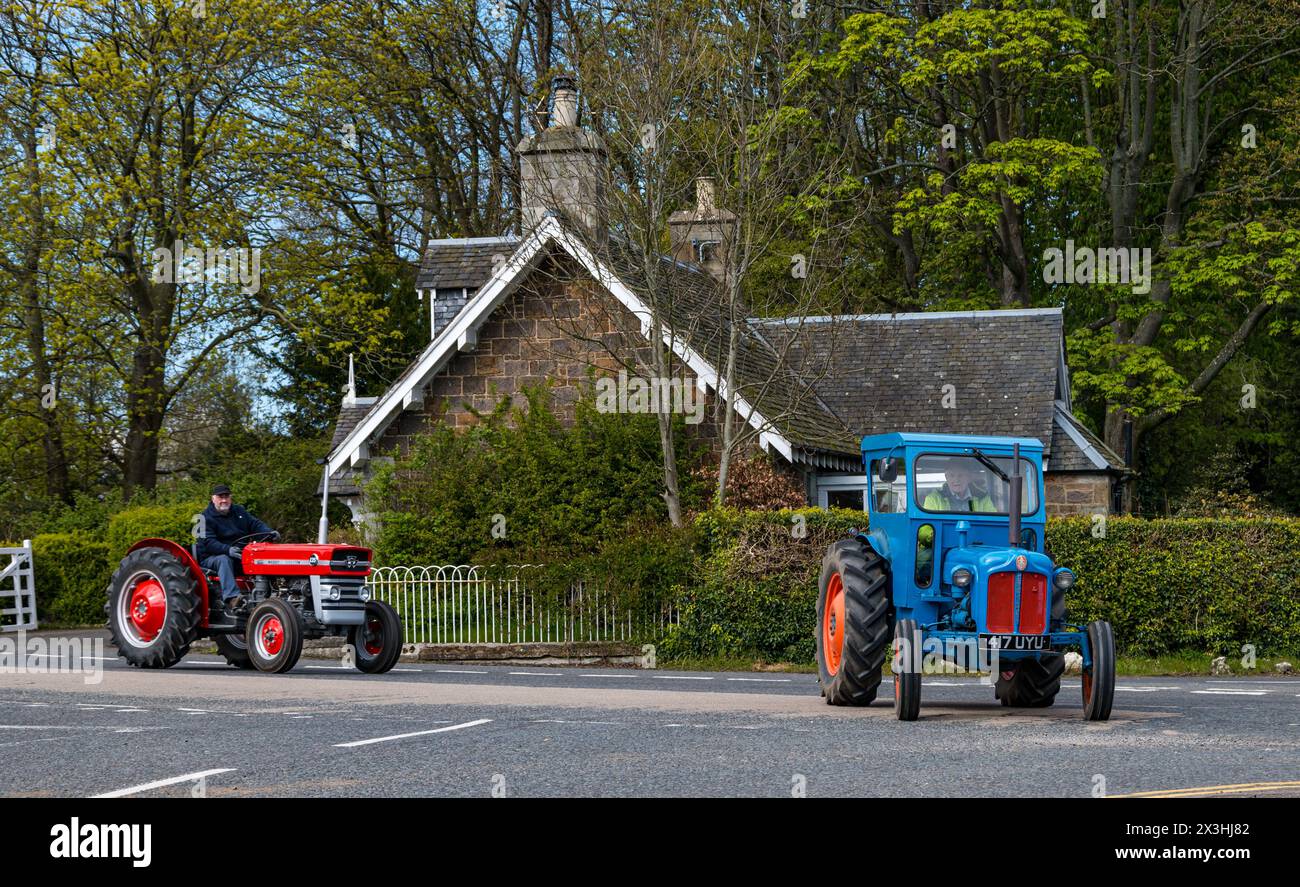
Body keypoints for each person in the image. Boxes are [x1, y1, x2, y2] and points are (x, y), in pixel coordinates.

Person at [196, 483, 279, 609]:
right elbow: (208, 542)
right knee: (223, 559)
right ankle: (232, 598)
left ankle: (273, 594)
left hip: (239, 555)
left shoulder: (239, 511)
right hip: (212, 558)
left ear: (230, 498)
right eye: (220, 497)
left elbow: (255, 524)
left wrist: (269, 533)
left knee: (263, 557)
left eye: (226, 496)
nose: (224, 500)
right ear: (213, 499)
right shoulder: (203, 518)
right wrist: (227, 550)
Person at [923, 463, 995, 513]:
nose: (956, 480)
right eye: (952, 475)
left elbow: (993, 523)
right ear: (946, 477)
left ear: (969, 477)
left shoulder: (983, 497)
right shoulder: (933, 499)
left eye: (960, 475)